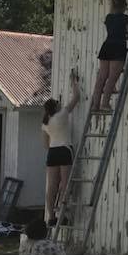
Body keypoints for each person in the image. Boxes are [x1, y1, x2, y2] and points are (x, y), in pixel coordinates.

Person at [42, 71, 81, 225]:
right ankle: (63, 214)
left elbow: (45, 144)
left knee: (51, 186)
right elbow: (76, 97)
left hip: (52, 153)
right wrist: (73, 82)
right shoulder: (62, 114)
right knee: (65, 184)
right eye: (58, 102)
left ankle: (51, 216)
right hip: (65, 150)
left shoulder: (45, 122)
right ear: (56, 106)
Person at [91, 0, 128, 112]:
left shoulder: (108, 17)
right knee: (112, 78)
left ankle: (95, 105)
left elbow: (112, 30)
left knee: (101, 78)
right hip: (118, 47)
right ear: (124, 6)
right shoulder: (126, 19)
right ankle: (105, 104)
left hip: (107, 46)